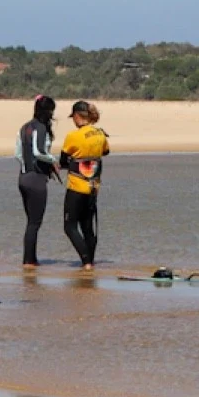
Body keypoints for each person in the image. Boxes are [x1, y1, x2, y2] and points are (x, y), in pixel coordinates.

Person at [56, 100, 109, 271]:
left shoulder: (73, 136)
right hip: (93, 187)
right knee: (87, 227)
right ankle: (90, 262)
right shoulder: (100, 133)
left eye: (73, 117)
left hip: (76, 186)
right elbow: (105, 151)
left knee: (69, 226)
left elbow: (64, 161)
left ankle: (86, 261)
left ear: (78, 117)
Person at [15, 94, 59, 267]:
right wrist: (53, 161)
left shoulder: (24, 127)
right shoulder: (40, 127)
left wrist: (27, 167)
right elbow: (38, 151)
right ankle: (29, 261)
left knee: (31, 222)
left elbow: (18, 154)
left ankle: (30, 259)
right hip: (36, 180)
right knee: (35, 222)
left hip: (23, 177)